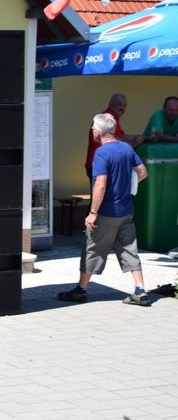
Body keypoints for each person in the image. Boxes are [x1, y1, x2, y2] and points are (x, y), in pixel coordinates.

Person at [58, 113, 149, 306]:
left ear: (98, 132)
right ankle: (140, 290)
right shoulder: (126, 148)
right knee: (129, 249)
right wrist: (126, 187)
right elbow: (142, 172)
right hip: (126, 209)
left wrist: (92, 213)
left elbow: (100, 184)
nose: (92, 131)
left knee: (92, 249)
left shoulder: (101, 153)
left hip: (107, 212)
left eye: (93, 129)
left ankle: (81, 290)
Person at [84, 94, 143, 181]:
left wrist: (142, 137)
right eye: (119, 104)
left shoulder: (111, 117)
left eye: (124, 105)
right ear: (111, 104)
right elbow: (116, 141)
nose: (122, 108)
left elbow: (122, 136)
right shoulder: (107, 118)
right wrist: (134, 142)